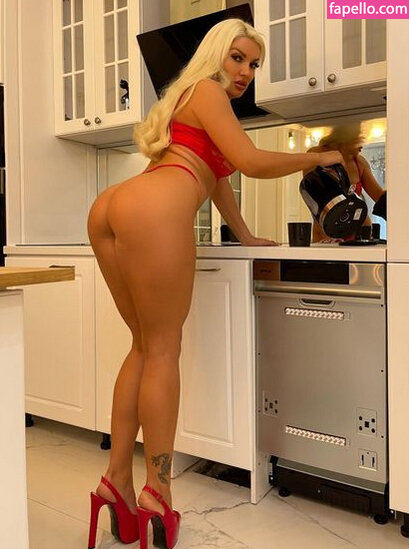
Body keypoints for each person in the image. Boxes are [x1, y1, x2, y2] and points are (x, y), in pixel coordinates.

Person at [86, 17, 342, 549]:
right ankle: (158, 492)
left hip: (116, 204)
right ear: (216, 54)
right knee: (162, 351)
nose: (246, 71)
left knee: (141, 348)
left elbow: (219, 177)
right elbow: (248, 162)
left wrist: (245, 234)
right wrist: (317, 156)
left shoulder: (190, 98)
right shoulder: (209, 91)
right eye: (238, 57)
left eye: (254, 64)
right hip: (156, 207)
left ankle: (116, 481)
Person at [304, 123, 386, 242]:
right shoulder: (318, 155)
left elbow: (380, 197)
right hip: (326, 232)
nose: (362, 144)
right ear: (346, 137)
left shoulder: (360, 163)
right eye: (359, 137)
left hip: (359, 230)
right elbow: (314, 201)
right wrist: (327, 236)